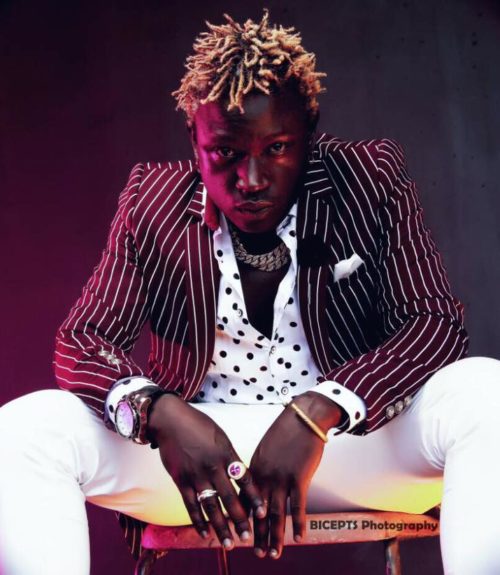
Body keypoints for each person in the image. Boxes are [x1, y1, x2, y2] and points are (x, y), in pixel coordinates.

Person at [1, 10, 499, 575]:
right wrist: (159, 412)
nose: (253, 180)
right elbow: (83, 338)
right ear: (195, 140)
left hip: (353, 444)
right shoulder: (151, 200)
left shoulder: (369, 178)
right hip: (204, 459)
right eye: (227, 153)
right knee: (25, 430)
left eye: (278, 148)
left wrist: (319, 411)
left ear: (309, 132)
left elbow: (434, 323)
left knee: (486, 390)